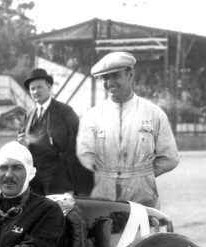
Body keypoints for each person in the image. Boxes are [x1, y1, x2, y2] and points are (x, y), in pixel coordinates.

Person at [76, 51, 178, 209]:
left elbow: (170, 158)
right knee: (106, 233)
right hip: (104, 200)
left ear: (130, 75)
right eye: (105, 78)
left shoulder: (153, 113)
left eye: (115, 76)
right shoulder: (92, 116)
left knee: (144, 234)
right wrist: (107, 175)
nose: (109, 83)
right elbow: (84, 155)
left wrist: (142, 176)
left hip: (143, 199)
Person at [18, 67, 88, 195]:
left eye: (39, 87)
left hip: (59, 177)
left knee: (59, 211)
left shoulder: (65, 111)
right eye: (32, 89)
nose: (35, 91)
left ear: (49, 87)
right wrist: (23, 142)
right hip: (35, 177)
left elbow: (78, 144)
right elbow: (23, 143)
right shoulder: (28, 115)